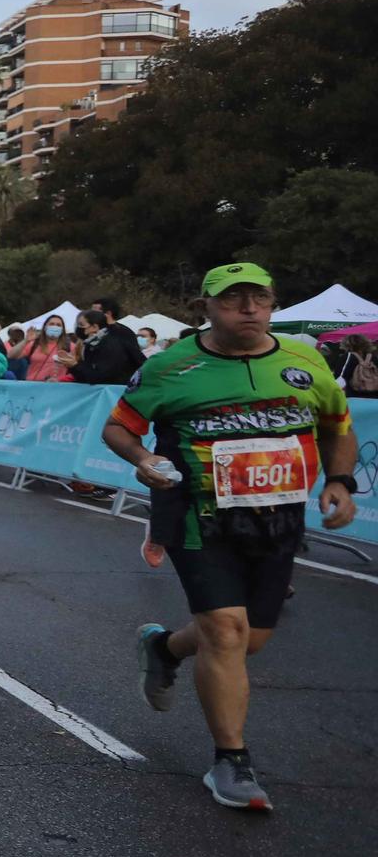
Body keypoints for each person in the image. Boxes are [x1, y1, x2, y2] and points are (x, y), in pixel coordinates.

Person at [109, 262, 359, 812]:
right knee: (225, 632)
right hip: (199, 515)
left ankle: (164, 647)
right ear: (207, 306)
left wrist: (339, 480)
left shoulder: (304, 358)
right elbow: (119, 426)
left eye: (259, 298)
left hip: (278, 518)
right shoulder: (171, 366)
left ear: (272, 303)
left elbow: (337, 426)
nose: (248, 308)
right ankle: (232, 761)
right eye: (233, 299)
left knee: (251, 640)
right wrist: (145, 457)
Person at [69, 308, 145, 384]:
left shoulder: (110, 344)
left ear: (94, 327)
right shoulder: (91, 344)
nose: (78, 328)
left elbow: (100, 376)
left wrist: (75, 366)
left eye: (81, 325)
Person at [21, 315, 78, 382]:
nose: (55, 327)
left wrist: (61, 380)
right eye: (52, 324)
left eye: (58, 325)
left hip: (58, 387)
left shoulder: (71, 347)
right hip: (33, 385)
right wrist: (26, 341)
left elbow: (77, 369)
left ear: (62, 330)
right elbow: (11, 355)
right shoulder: (34, 344)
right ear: (45, 327)